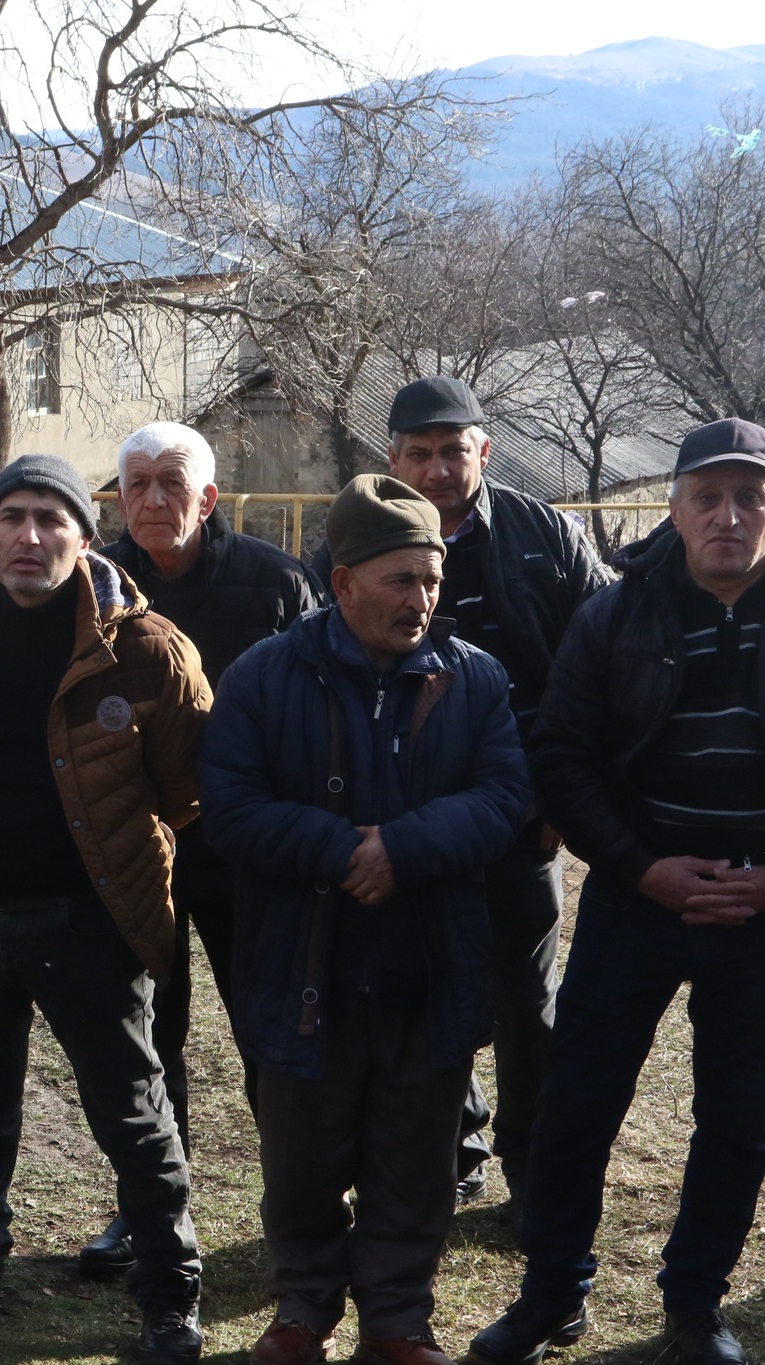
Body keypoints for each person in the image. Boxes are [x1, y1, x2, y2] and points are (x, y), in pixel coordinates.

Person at [467, 419, 765, 1365]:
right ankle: (551, 1295)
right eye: (707, 496)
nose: (728, 515)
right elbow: (562, 754)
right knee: (575, 1107)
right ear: (673, 510)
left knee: (737, 1121)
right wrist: (640, 867)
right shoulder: (613, 615)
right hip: (637, 903)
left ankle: (696, 1306)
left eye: (750, 496)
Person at [0, 454, 212, 1365]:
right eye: (11, 517)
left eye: (50, 519)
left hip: (88, 922)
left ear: (86, 538)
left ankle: (170, 1292)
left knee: (132, 1112)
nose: (28, 536)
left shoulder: (148, 649)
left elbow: (186, 787)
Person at [204, 474, 531, 1365]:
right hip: (303, 967)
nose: (421, 598)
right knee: (301, 1159)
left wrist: (406, 848)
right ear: (344, 582)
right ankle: (302, 1312)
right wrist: (341, 850)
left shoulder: (474, 679)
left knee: (415, 1161)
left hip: (428, 967)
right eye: (401, 579)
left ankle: (396, 1322)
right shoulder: (263, 676)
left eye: (432, 579)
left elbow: (505, 798)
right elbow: (228, 805)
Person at [311, 376, 611, 1206]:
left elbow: (598, 666)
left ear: (484, 450)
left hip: (521, 816)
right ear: (392, 458)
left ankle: (531, 1165)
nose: (438, 469)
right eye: (419, 453)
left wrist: (559, 799)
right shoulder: (353, 535)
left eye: (454, 451)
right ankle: (453, 1151)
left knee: (524, 998)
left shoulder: (545, 534)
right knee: (423, 989)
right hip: (400, 825)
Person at [86, 420, 319, 1272]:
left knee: (271, 1032)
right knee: (149, 1037)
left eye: (171, 483)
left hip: (246, 849)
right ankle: (150, 1210)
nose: (152, 499)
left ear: (209, 497)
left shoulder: (276, 582)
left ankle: (300, 1204)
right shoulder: (92, 584)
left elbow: (317, 710)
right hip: (136, 848)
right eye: (136, 484)